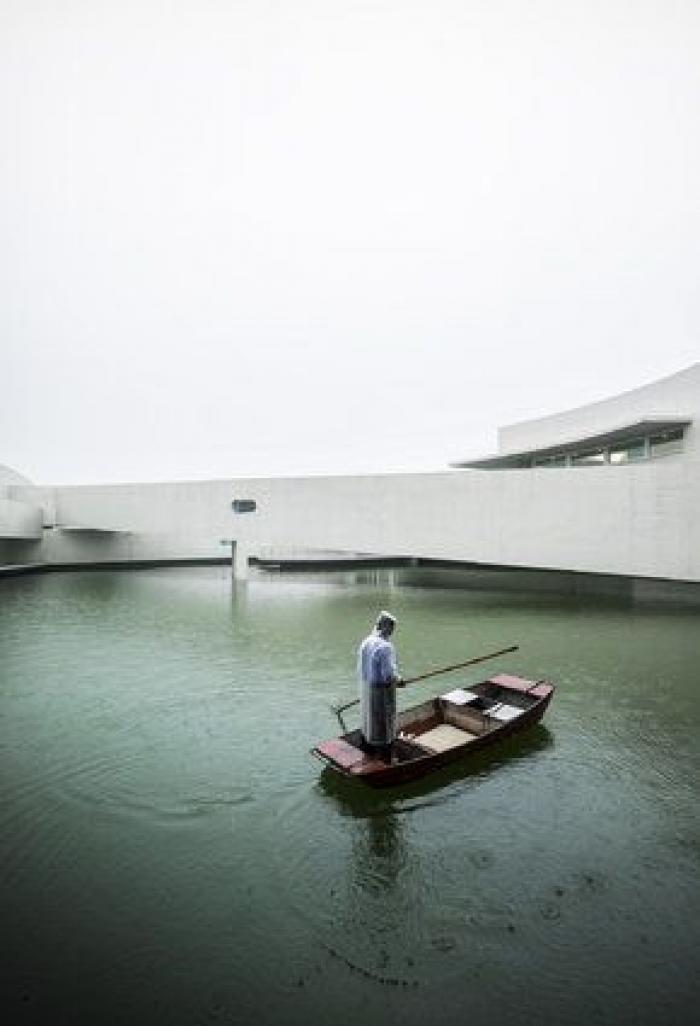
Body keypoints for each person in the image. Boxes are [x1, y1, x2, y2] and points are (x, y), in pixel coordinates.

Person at [357, 610, 405, 760]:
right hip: (380, 692)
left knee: (369, 721)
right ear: (385, 627)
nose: (392, 632)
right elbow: (389, 675)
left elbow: (361, 668)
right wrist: (400, 680)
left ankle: (367, 751)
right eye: (391, 628)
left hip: (366, 689)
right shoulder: (385, 647)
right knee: (384, 724)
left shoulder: (366, 641)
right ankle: (385, 760)